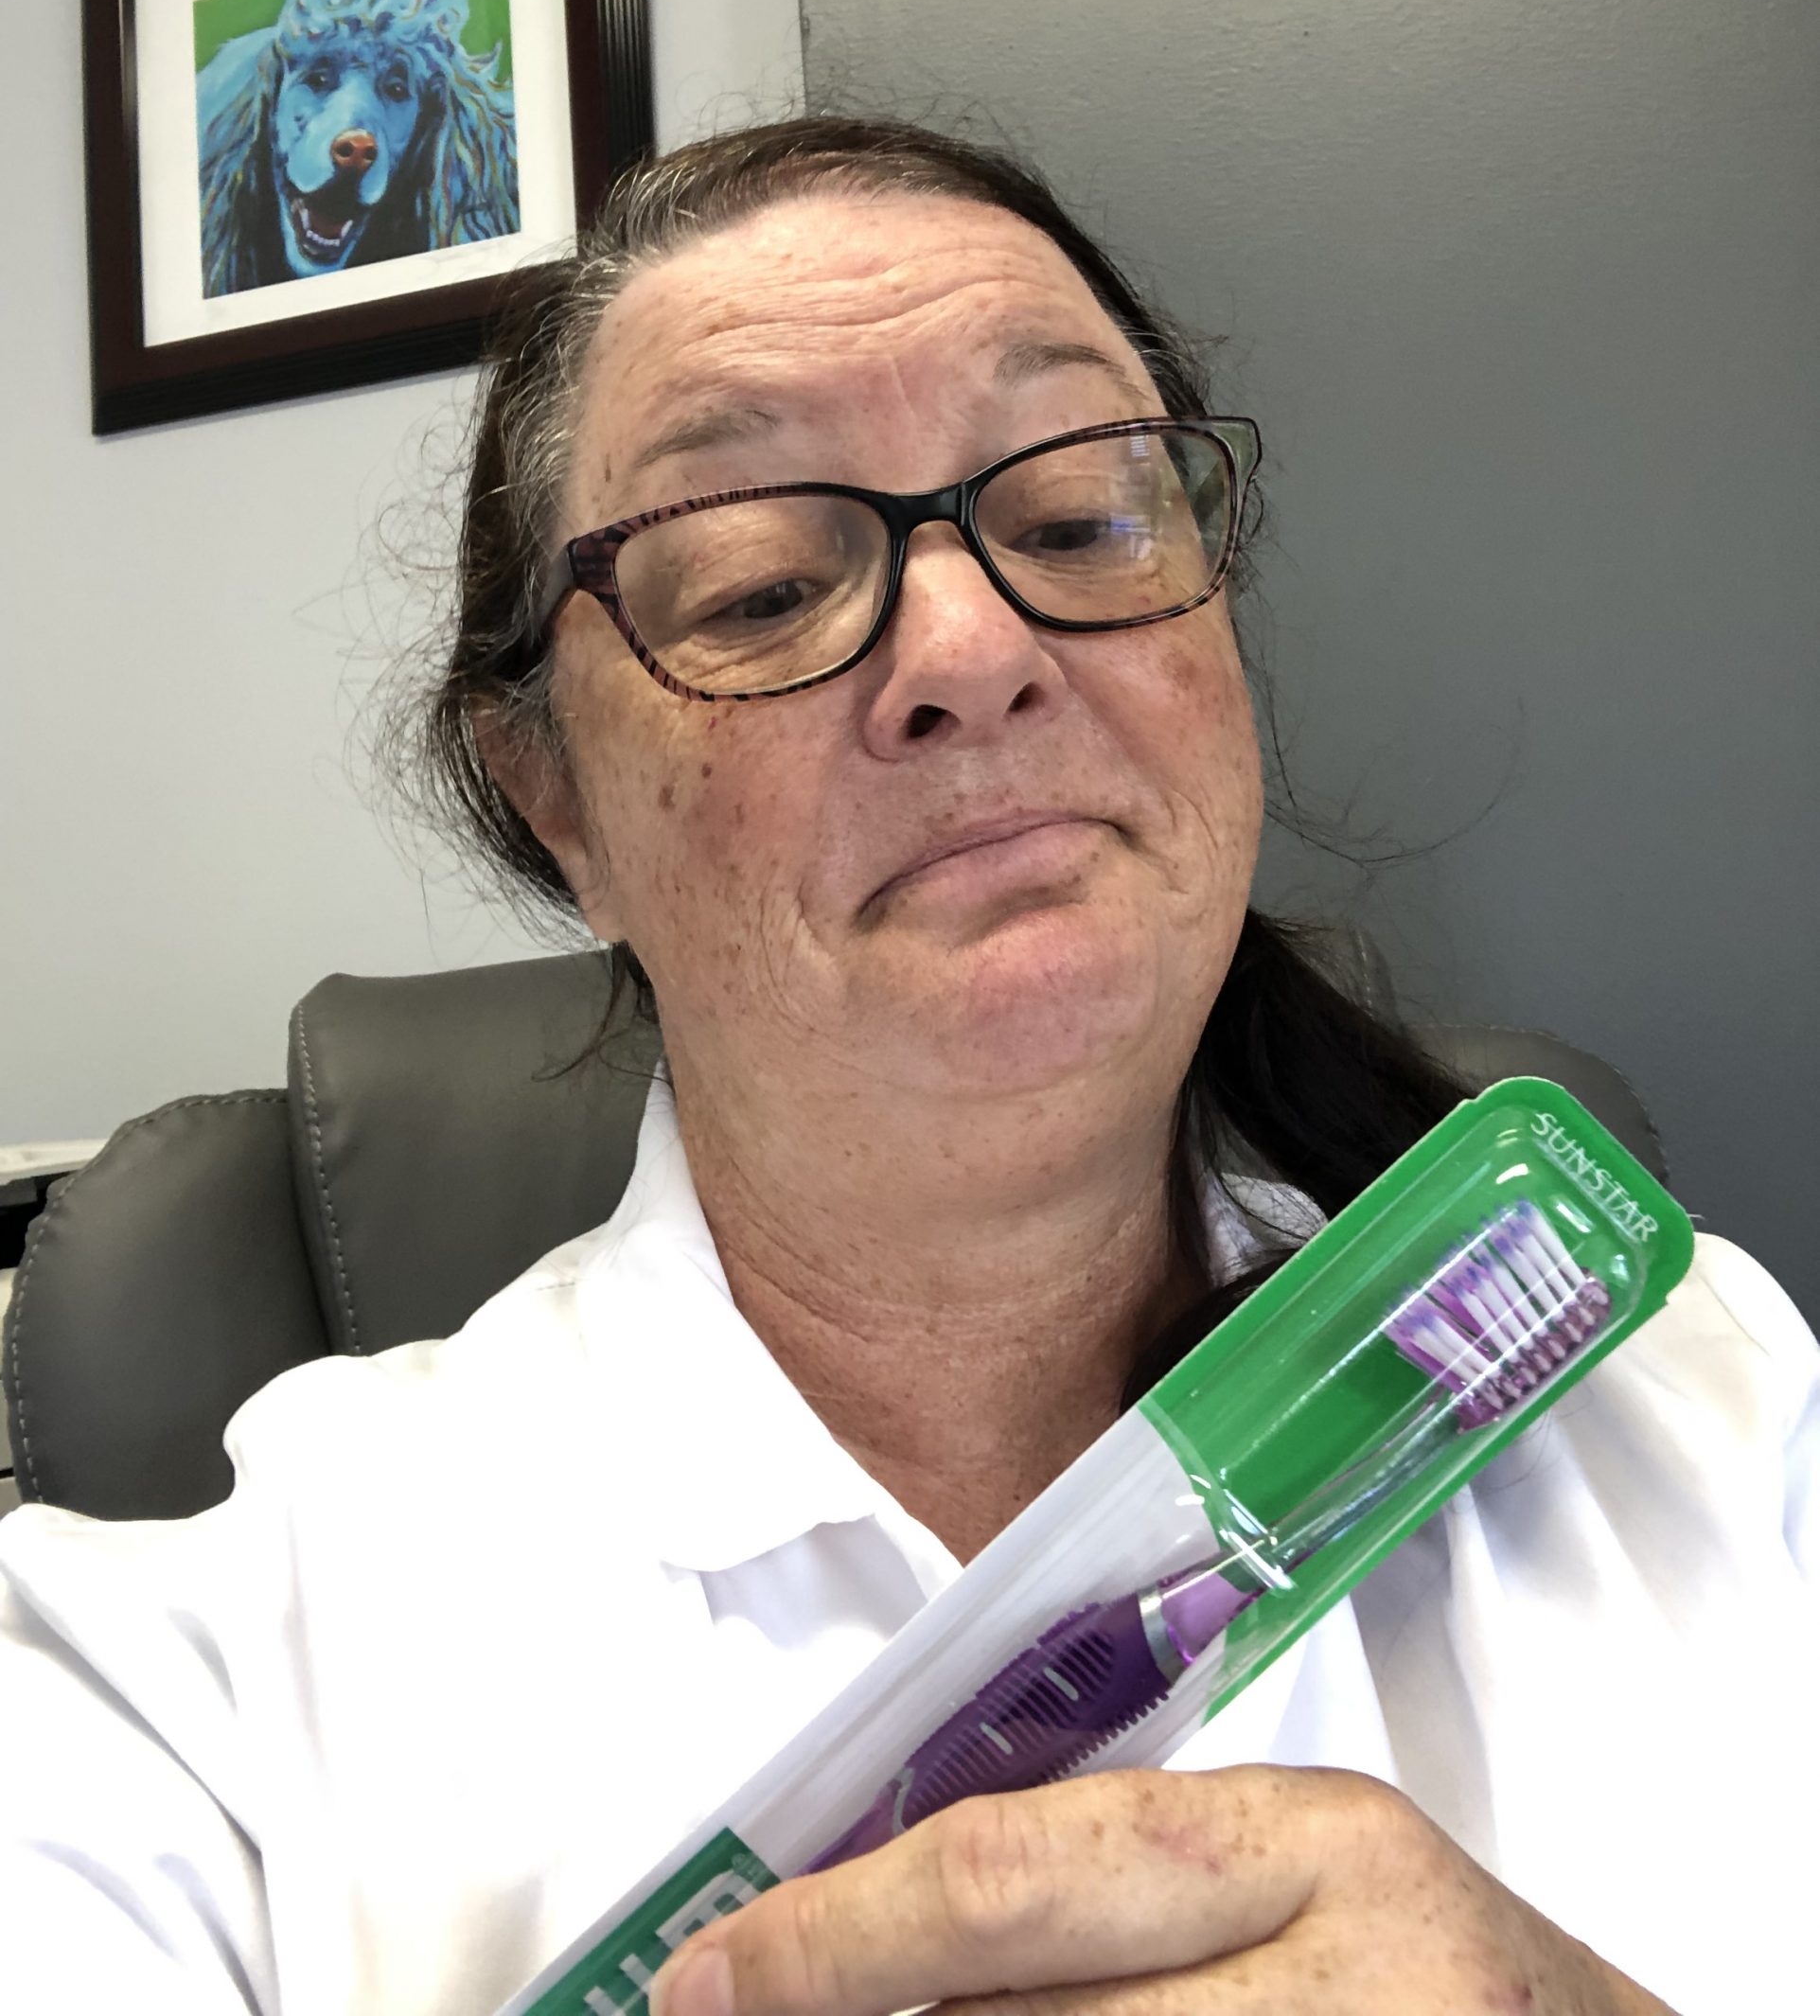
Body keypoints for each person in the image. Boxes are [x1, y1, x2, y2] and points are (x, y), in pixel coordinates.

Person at [3, 115, 1815, 2016]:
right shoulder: (188, 1694)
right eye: (764, 584)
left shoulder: (1705, 1394)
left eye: (1069, 521)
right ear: (562, 810)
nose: (970, 642)